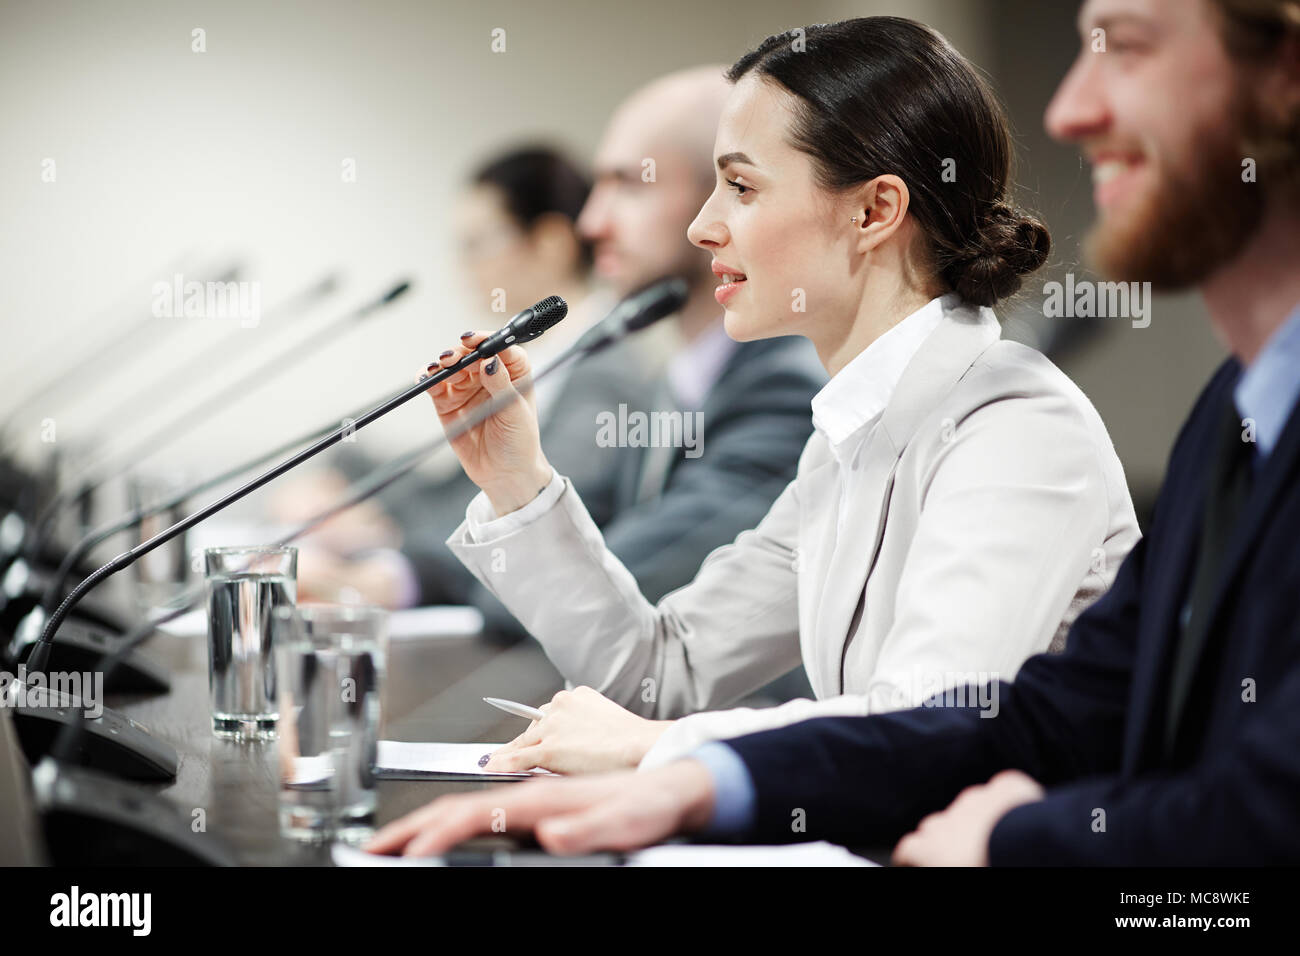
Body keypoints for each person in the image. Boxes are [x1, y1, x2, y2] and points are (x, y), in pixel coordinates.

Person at [368, 0, 1300, 866]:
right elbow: (667, 671)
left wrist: (662, 755)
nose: (703, 226)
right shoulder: (854, 430)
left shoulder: (1013, 424)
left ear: (873, 211)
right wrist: (517, 479)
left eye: (740, 186)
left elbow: (931, 722)